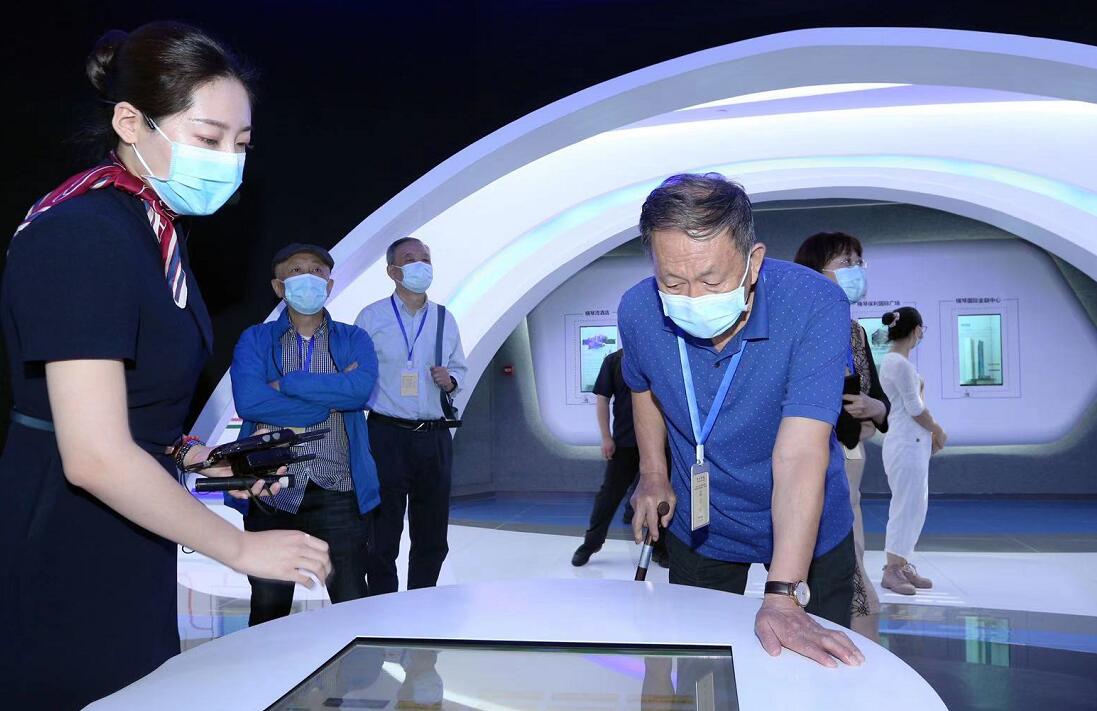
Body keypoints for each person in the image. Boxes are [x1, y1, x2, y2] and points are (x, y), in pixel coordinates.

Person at [0, 23, 330, 709]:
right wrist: (240, 550)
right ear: (130, 123)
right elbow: (93, 455)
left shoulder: (149, 229)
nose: (228, 161)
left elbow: (132, 404)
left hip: (124, 532)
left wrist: (194, 458)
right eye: (208, 137)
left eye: (241, 144)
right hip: (67, 536)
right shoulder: (84, 233)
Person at [621, 173, 864, 668]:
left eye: (712, 281)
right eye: (673, 282)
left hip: (810, 525)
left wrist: (783, 597)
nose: (693, 297)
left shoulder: (814, 304)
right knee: (699, 672)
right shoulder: (639, 310)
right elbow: (641, 384)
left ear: (753, 261)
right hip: (704, 525)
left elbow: (800, 454)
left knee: (817, 675)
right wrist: (653, 472)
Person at [229, 244, 381, 625]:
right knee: (268, 608)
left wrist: (286, 385)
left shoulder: (354, 338)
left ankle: (358, 668)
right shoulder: (255, 339)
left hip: (338, 488)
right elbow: (249, 401)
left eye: (317, 270)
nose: (308, 277)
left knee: (352, 603)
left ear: (329, 284)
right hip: (272, 490)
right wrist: (323, 403)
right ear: (279, 287)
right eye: (297, 270)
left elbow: (359, 392)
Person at [355, 237, 468, 594]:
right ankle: (383, 606)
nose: (420, 265)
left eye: (425, 259)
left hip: (434, 436)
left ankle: (423, 603)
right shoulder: (372, 317)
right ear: (393, 271)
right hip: (386, 434)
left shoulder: (444, 317)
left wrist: (451, 380)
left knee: (432, 533)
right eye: (410, 259)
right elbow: (356, 371)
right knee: (382, 532)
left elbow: (459, 368)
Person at [794, 232, 890, 638]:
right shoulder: (797, 327)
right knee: (837, 562)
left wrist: (876, 408)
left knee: (851, 555)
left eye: (858, 262)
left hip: (851, 458)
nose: (856, 271)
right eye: (845, 262)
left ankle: (852, 645)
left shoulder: (855, 332)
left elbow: (879, 398)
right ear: (814, 272)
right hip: (811, 459)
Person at [572, 348, 668, 567]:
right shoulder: (614, 361)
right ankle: (591, 543)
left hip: (659, 444)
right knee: (608, 496)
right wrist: (606, 437)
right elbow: (602, 400)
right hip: (625, 443)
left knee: (661, 497)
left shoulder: (658, 356)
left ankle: (660, 546)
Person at [878, 307, 947, 595]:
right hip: (906, 443)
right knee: (906, 506)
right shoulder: (898, 364)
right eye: (922, 330)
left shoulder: (896, 362)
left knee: (915, 506)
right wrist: (938, 430)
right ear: (917, 330)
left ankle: (902, 563)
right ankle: (892, 569)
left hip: (911, 443)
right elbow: (914, 408)